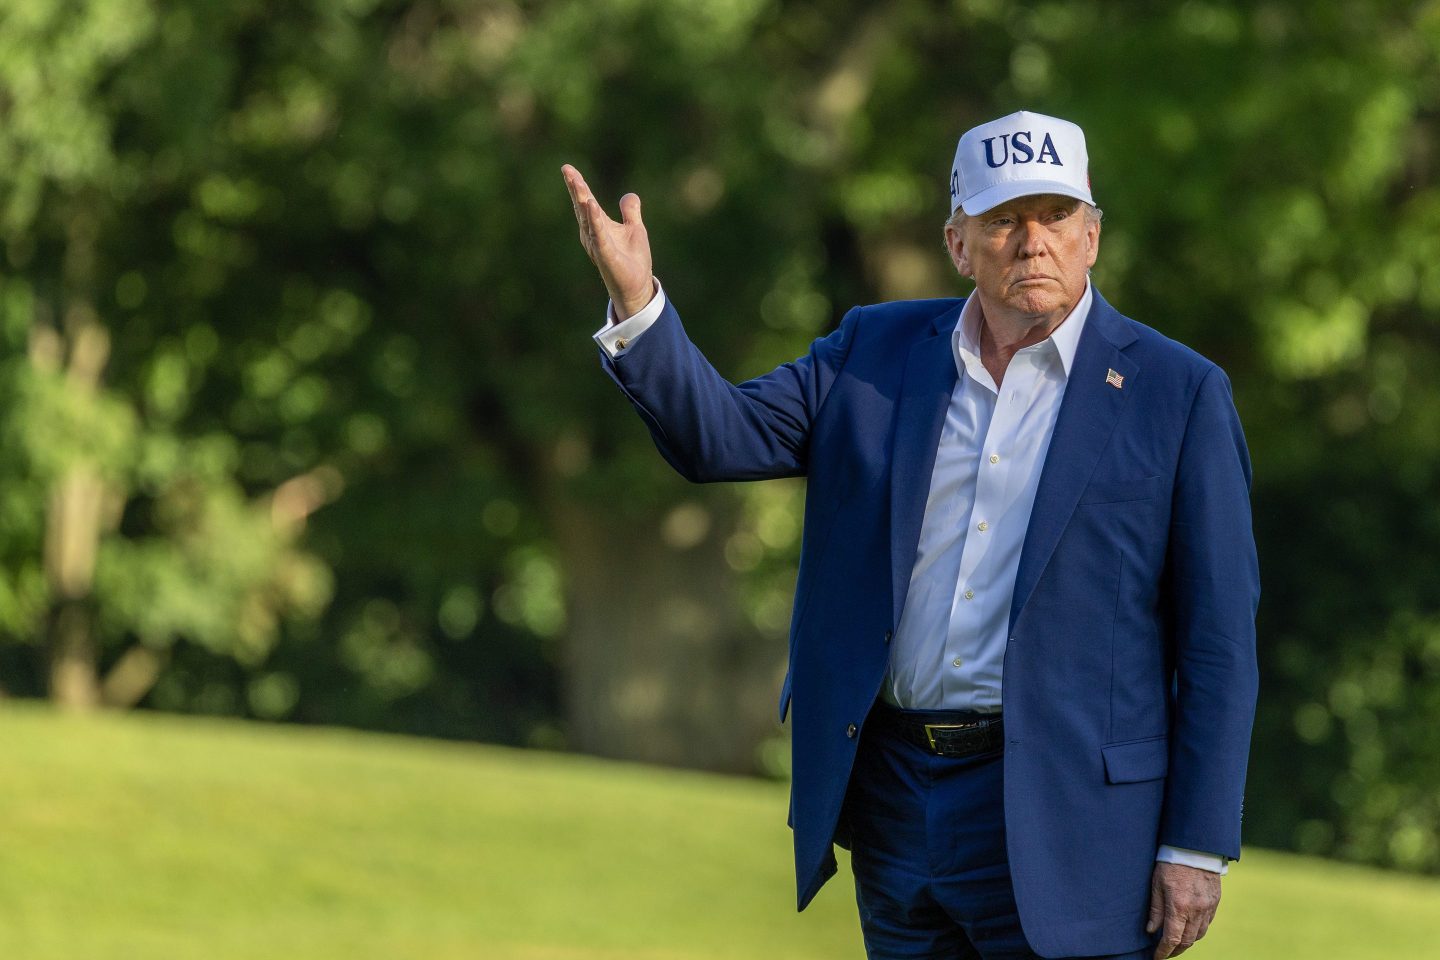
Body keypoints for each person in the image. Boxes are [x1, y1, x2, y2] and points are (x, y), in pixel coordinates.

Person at [561, 110, 1259, 960]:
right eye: (1003, 220)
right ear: (959, 244)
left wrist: (1195, 845)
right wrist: (638, 302)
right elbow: (720, 438)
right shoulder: (872, 349)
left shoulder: (1178, 392)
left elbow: (1218, 639)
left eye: (1057, 216)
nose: (1032, 242)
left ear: (1093, 236)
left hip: (1073, 820)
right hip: (896, 799)